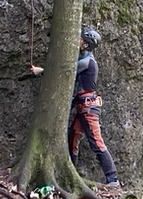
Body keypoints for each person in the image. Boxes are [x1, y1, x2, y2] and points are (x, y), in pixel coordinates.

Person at [30, 26, 120, 187]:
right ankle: (71, 173)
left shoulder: (87, 62)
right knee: (73, 138)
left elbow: (64, 72)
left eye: (80, 39)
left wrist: (40, 70)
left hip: (88, 107)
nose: (77, 41)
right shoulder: (85, 60)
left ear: (86, 44)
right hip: (82, 106)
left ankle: (112, 179)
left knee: (96, 142)